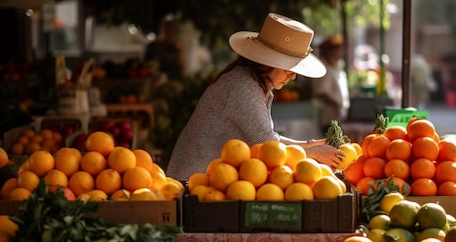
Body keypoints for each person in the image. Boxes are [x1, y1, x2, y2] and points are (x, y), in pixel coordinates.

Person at [166, 13, 345, 180]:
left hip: (211, 181)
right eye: (287, 67)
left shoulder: (251, 82)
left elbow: (269, 139)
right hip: (193, 184)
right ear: (268, 61)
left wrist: (310, 145)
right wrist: (313, 152)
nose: (293, 76)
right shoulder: (241, 87)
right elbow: (270, 147)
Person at [312, 33, 350, 134]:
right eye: (339, 49)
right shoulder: (324, 68)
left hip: (338, 118)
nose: (342, 52)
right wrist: (335, 103)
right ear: (331, 52)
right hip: (328, 119)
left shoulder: (337, 68)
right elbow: (321, 92)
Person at [144, 15, 185, 81]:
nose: (169, 34)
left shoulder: (176, 48)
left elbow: (182, 68)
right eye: (166, 31)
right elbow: (147, 67)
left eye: (171, 31)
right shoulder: (153, 47)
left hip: (173, 83)